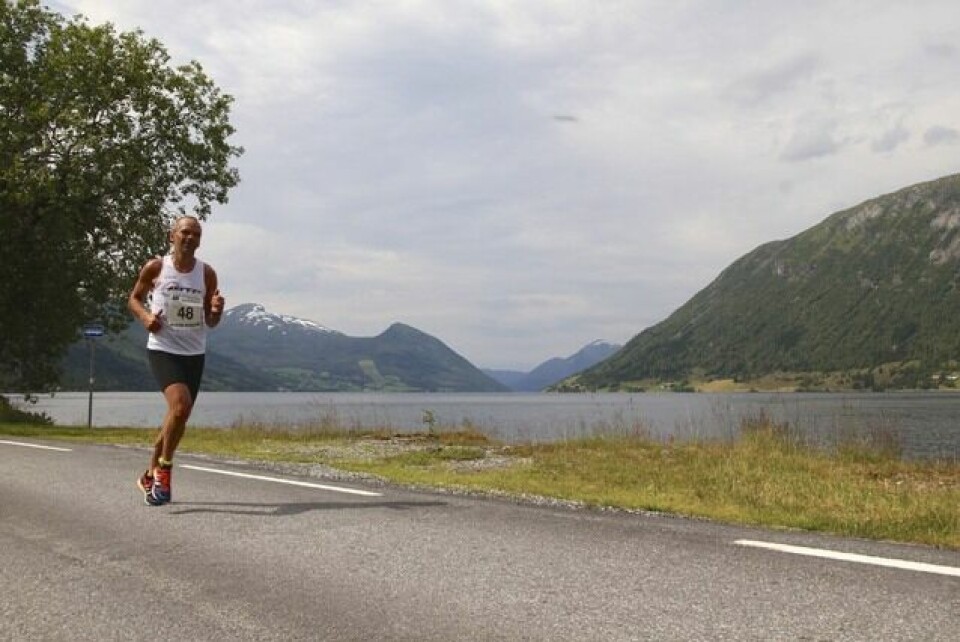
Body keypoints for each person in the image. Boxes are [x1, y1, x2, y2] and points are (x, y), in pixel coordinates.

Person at [128, 215, 225, 505]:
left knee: (178, 417)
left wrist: (217, 311)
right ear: (172, 236)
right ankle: (164, 474)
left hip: (194, 353)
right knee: (180, 406)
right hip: (163, 348)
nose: (190, 238)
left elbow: (210, 320)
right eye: (185, 232)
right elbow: (133, 298)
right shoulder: (157, 267)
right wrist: (146, 318)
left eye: (196, 234)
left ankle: (149, 474)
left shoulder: (206, 274)